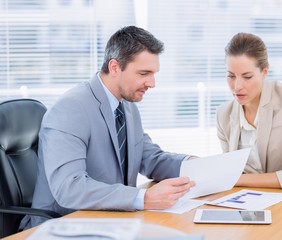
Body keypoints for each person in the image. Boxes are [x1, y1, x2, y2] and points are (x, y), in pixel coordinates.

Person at [19, 26, 195, 230]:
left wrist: (194, 165)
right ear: (114, 67)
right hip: (63, 226)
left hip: (112, 221)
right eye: (144, 73)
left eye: (153, 73)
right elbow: (70, 188)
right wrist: (143, 198)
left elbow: (149, 158)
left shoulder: (126, 106)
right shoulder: (70, 110)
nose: (152, 83)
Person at [217, 32, 282, 189]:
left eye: (247, 77)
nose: (237, 86)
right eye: (231, 76)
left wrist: (239, 180)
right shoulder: (224, 115)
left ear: (264, 72)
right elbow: (230, 171)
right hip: (253, 201)